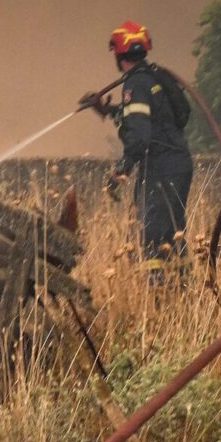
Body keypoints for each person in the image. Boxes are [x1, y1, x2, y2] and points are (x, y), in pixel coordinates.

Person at [81, 20, 193, 284]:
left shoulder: (135, 85)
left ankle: (156, 297)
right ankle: (185, 293)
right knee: (173, 232)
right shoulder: (154, 78)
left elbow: (140, 136)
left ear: (119, 56)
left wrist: (122, 169)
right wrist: (108, 111)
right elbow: (148, 121)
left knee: (152, 234)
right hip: (178, 163)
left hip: (160, 167)